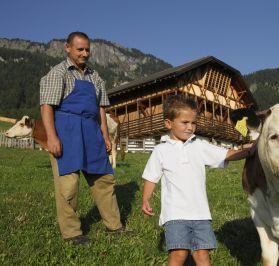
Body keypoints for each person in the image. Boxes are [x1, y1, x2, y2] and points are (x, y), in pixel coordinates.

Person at [141, 95, 256, 265]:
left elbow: (226, 154)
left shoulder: (199, 146)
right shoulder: (161, 150)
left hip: (201, 214)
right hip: (175, 214)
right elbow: (151, 177)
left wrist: (251, 150)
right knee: (179, 254)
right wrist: (146, 198)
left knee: (202, 255)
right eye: (185, 122)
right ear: (168, 123)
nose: (190, 127)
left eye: (193, 123)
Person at [40, 31, 128, 245]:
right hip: (67, 130)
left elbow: (100, 109)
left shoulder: (94, 76)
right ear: (67, 48)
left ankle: (114, 227)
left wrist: (105, 136)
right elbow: (46, 107)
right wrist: (52, 137)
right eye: (80, 49)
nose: (84, 53)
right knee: (68, 185)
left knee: (104, 179)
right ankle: (72, 233)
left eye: (87, 49)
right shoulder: (58, 73)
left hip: (91, 131)